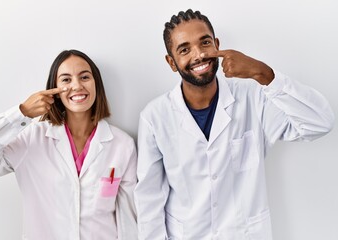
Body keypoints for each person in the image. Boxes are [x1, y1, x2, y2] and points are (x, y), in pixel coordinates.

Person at [134, 9, 335, 240]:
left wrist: (263, 73)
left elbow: (320, 122)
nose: (199, 55)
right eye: (185, 49)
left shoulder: (254, 97)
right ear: (171, 62)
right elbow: (149, 199)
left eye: (205, 42)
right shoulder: (155, 117)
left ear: (217, 44)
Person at [0, 49, 138, 240]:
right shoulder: (32, 139)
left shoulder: (122, 145)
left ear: (97, 84)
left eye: (85, 77)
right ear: (54, 89)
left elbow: (128, 219)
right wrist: (21, 113)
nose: (77, 86)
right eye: (66, 80)